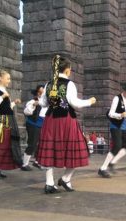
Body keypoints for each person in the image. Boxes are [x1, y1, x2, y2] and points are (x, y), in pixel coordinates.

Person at [36, 55, 96, 194]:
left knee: (49, 150)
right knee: (77, 149)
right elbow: (74, 103)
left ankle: (49, 183)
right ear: (68, 70)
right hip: (66, 120)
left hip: (50, 120)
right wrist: (89, 101)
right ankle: (66, 178)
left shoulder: (48, 84)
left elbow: (43, 103)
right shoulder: (69, 84)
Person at [97, 83, 126, 178]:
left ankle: (112, 162)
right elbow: (110, 113)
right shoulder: (117, 98)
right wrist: (120, 115)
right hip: (115, 126)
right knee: (117, 146)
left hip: (123, 127)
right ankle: (102, 168)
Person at [21, 85, 47, 171]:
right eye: (40, 92)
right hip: (33, 124)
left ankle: (37, 162)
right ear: (37, 93)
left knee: (42, 144)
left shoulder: (46, 102)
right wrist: (33, 105)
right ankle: (24, 164)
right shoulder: (33, 101)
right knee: (32, 143)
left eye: (43, 92)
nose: (42, 93)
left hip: (43, 125)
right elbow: (26, 112)